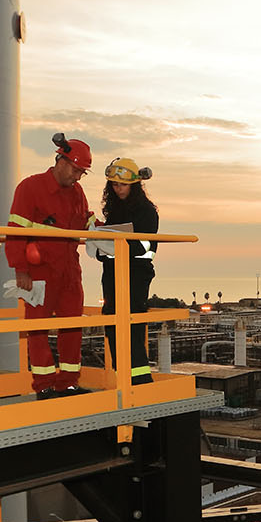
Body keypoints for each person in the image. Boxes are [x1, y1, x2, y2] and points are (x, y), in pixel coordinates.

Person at [6, 133, 95, 399]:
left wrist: (104, 230)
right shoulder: (30, 188)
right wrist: (20, 269)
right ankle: (44, 385)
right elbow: (14, 232)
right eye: (77, 170)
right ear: (62, 161)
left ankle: (67, 383)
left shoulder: (77, 192)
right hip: (39, 272)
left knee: (72, 326)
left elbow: (84, 221)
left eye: (82, 173)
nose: (78, 177)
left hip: (69, 272)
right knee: (37, 327)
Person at [97, 157, 160, 385]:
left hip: (136, 275)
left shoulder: (146, 212)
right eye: (114, 184)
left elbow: (144, 246)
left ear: (134, 185)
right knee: (113, 324)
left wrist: (109, 246)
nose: (118, 188)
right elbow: (113, 245)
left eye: (122, 185)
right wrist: (100, 245)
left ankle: (140, 380)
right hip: (113, 275)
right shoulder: (115, 211)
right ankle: (121, 376)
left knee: (132, 327)